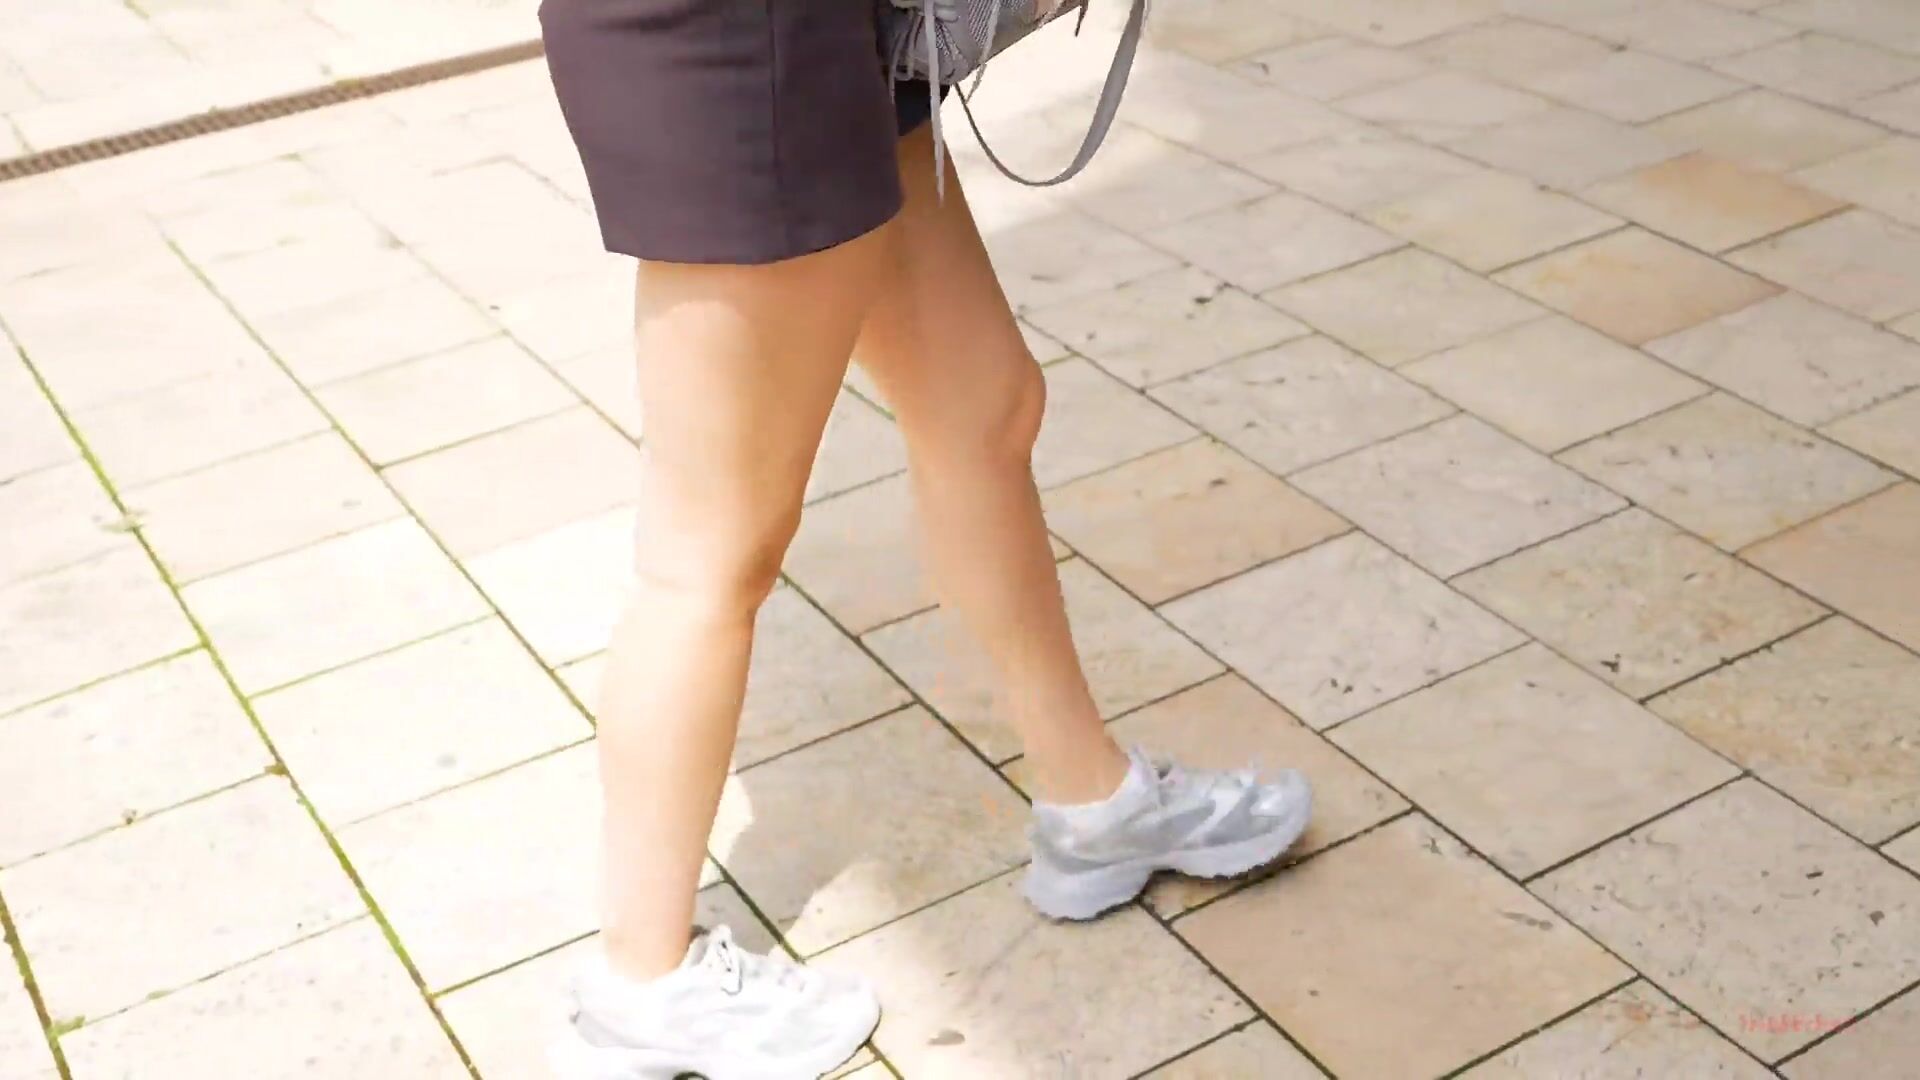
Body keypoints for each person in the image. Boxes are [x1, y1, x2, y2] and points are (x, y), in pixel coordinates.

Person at [536, 2, 1313, 1076]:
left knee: (984, 409)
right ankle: (640, 983)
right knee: (707, 555)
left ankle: (1095, 805)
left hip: (831, 38)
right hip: (743, 48)